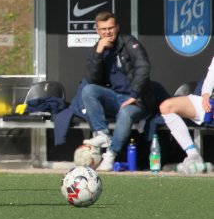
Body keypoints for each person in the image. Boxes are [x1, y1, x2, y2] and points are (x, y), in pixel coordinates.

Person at [81, 11, 154, 171]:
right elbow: (92, 79)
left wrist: (134, 94)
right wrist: (98, 53)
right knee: (88, 90)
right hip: (116, 97)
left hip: (138, 99)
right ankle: (102, 135)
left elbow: (144, 67)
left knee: (126, 112)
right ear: (97, 31)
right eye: (103, 29)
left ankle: (110, 156)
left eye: (110, 28)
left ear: (117, 27)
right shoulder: (98, 48)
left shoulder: (129, 42)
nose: (107, 32)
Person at [160, 57, 214, 174]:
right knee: (167, 107)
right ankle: (193, 155)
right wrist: (205, 95)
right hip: (210, 104)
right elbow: (210, 78)